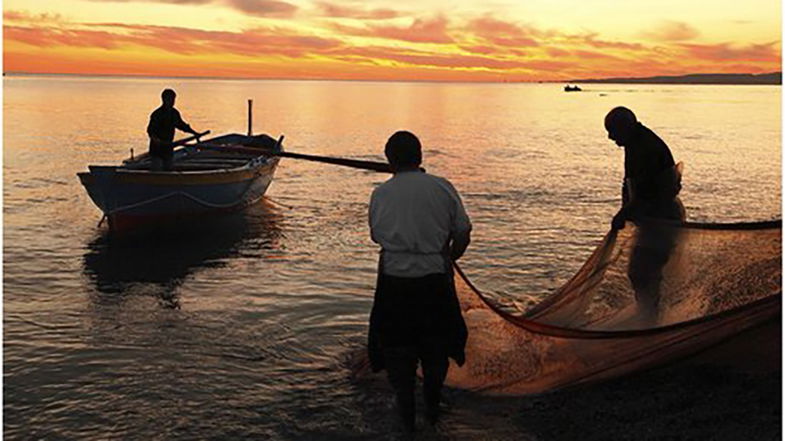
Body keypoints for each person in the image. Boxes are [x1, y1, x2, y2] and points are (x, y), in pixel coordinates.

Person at [367, 131, 471, 433]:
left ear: (390, 160)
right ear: (420, 157)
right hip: (434, 280)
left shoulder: (381, 194)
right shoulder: (442, 187)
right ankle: (433, 408)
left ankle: (407, 417)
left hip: (394, 282)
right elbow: (463, 231)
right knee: (436, 347)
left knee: (398, 350)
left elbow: (377, 236)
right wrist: (451, 256)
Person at [604, 106, 685, 323]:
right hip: (655, 219)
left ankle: (650, 319)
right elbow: (634, 186)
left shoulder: (644, 147)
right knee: (644, 272)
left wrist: (622, 215)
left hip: (663, 220)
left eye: (612, 130)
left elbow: (645, 194)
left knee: (642, 272)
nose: (609, 136)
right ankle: (650, 316)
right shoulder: (635, 142)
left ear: (626, 126)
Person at [147, 89, 201, 171]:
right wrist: (156, 140)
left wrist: (194, 133)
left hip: (168, 148)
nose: (173, 101)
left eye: (173, 99)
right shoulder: (157, 114)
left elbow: (182, 125)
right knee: (157, 170)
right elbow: (150, 130)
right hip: (157, 149)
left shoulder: (174, 113)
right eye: (171, 99)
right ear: (164, 99)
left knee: (169, 169)